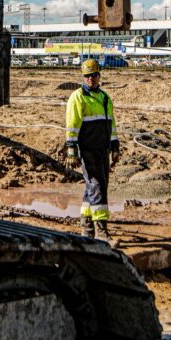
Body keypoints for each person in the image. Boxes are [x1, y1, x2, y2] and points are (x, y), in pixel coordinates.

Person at [65, 58, 120, 244]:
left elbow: (111, 124)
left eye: (93, 75)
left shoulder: (104, 98)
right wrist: (71, 149)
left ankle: (86, 228)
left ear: (99, 75)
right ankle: (101, 232)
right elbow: (72, 125)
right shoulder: (77, 97)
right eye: (87, 76)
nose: (90, 79)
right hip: (87, 150)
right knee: (97, 187)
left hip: (102, 149)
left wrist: (115, 147)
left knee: (93, 188)